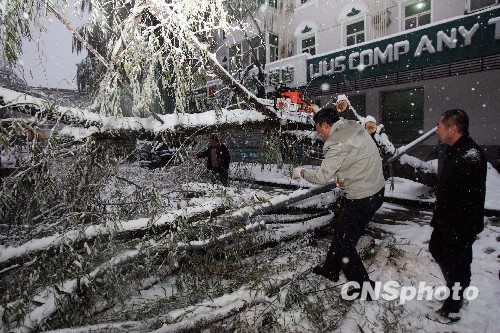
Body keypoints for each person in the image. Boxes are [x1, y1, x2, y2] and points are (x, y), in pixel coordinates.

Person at [292, 108, 385, 297]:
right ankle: (330, 269)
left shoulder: (336, 142)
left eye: (320, 131)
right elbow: (354, 156)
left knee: (345, 246)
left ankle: (365, 289)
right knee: (342, 230)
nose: (321, 136)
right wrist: (344, 175)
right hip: (374, 189)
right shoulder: (352, 126)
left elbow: (321, 176)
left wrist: (301, 172)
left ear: (327, 125)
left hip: (362, 197)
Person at [429, 109, 487, 318]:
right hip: (446, 220)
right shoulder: (452, 149)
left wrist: (456, 230)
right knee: (436, 248)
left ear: (453, 129)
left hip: (460, 224)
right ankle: (454, 287)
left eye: (439, 126)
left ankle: (453, 305)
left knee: (459, 262)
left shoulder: (470, 156)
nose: (437, 130)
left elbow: (467, 198)